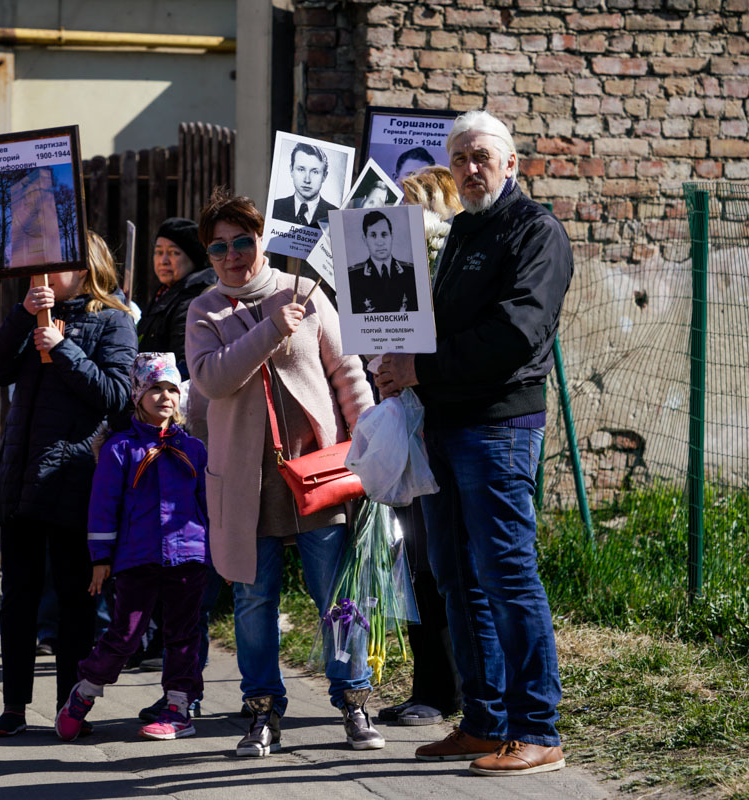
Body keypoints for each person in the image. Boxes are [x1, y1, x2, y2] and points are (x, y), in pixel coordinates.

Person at [375, 109, 573, 776]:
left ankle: (536, 729)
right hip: (443, 424)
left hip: (498, 427)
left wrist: (420, 368)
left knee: (507, 575)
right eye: (458, 157)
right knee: (457, 579)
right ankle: (485, 723)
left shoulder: (534, 231)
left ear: (511, 163)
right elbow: (435, 323)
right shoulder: (461, 230)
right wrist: (392, 349)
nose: (468, 168)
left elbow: (516, 333)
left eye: (481, 155)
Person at [185, 188, 380, 757]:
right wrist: (270, 328)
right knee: (253, 602)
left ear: (262, 240)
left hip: (318, 476)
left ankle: (354, 700)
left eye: (243, 241)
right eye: (218, 247)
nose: (232, 255)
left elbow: (348, 376)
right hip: (245, 485)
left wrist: (369, 447)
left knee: (336, 596)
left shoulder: (304, 292)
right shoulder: (204, 311)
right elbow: (214, 381)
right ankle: (263, 712)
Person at [0, 231, 138, 737]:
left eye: (52, 267)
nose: (42, 278)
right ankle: (13, 706)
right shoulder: (31, 313)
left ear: (85, 267)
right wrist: (21, 315)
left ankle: (69, 708)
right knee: (18, 599)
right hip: (22, 475)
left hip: (75, 478)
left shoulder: (114, 320)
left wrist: (65, 347)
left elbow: (117, 396)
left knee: (74, 601)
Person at [55, 352, 209, 742]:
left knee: (183, 634)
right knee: (125, 633)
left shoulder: (194, 449)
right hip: (137, 558)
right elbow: (103, 508)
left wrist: (216, 550)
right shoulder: (119, 450)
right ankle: (85, 691)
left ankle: (178, 707)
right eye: (155, 388)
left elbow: (208, 506)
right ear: (137, 395)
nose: (165, 397)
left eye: (172, 389)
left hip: (189, 556)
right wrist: (101, 559)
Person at [373, 165, 466, 728]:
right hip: (405, 426)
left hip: (445, 430)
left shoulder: (449, 268)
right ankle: (427, 685)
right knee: (413, 566)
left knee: (439, 566)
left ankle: (447, 689)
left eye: (410, 207)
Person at [137, 218, 216, 379]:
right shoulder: (165, 293)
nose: (163, 261)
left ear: (193, 258)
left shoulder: (193, 301)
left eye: (174, 253)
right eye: (159, 252)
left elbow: (183, 364)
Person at [347, 210, 420, 314]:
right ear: (365, 239)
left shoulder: (412, 273)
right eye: (373, 235)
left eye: (384, 234)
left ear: (392, 236)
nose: (380, 242)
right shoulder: (352, 277)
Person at [271, 142, 338, 229]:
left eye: (315, 172)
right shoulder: (275, 207)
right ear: (291, 170)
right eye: (301, 169)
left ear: (324, 176)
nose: (307, 180)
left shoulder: (336, 215)